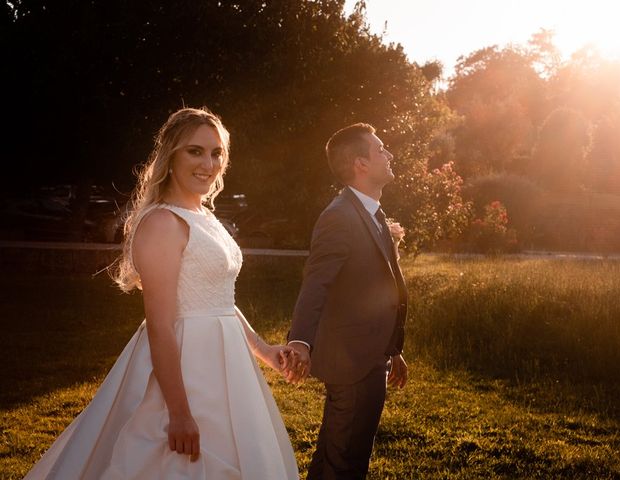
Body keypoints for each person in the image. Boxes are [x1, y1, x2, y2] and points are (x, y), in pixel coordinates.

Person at [23, 107, 299, 479]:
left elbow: (219, 299)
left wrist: (263, 349)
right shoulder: (162, 222)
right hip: (185, 366)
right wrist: (179, 412)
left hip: (229, 361)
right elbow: (160, 326)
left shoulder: (205, 216)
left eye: (217, 153)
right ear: (170, 156)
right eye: (195, 151)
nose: (209, 163)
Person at [287, 123, 409, 479]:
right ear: (361, 164)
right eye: (381, 149)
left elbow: (377, 289)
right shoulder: (339, 217)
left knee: (333, 455)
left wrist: (393, 348)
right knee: (346, 464)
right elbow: (316, 284)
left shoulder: (371, 213)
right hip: (352, 362)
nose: (389, 155)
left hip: (372, 355)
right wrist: (300, 341)